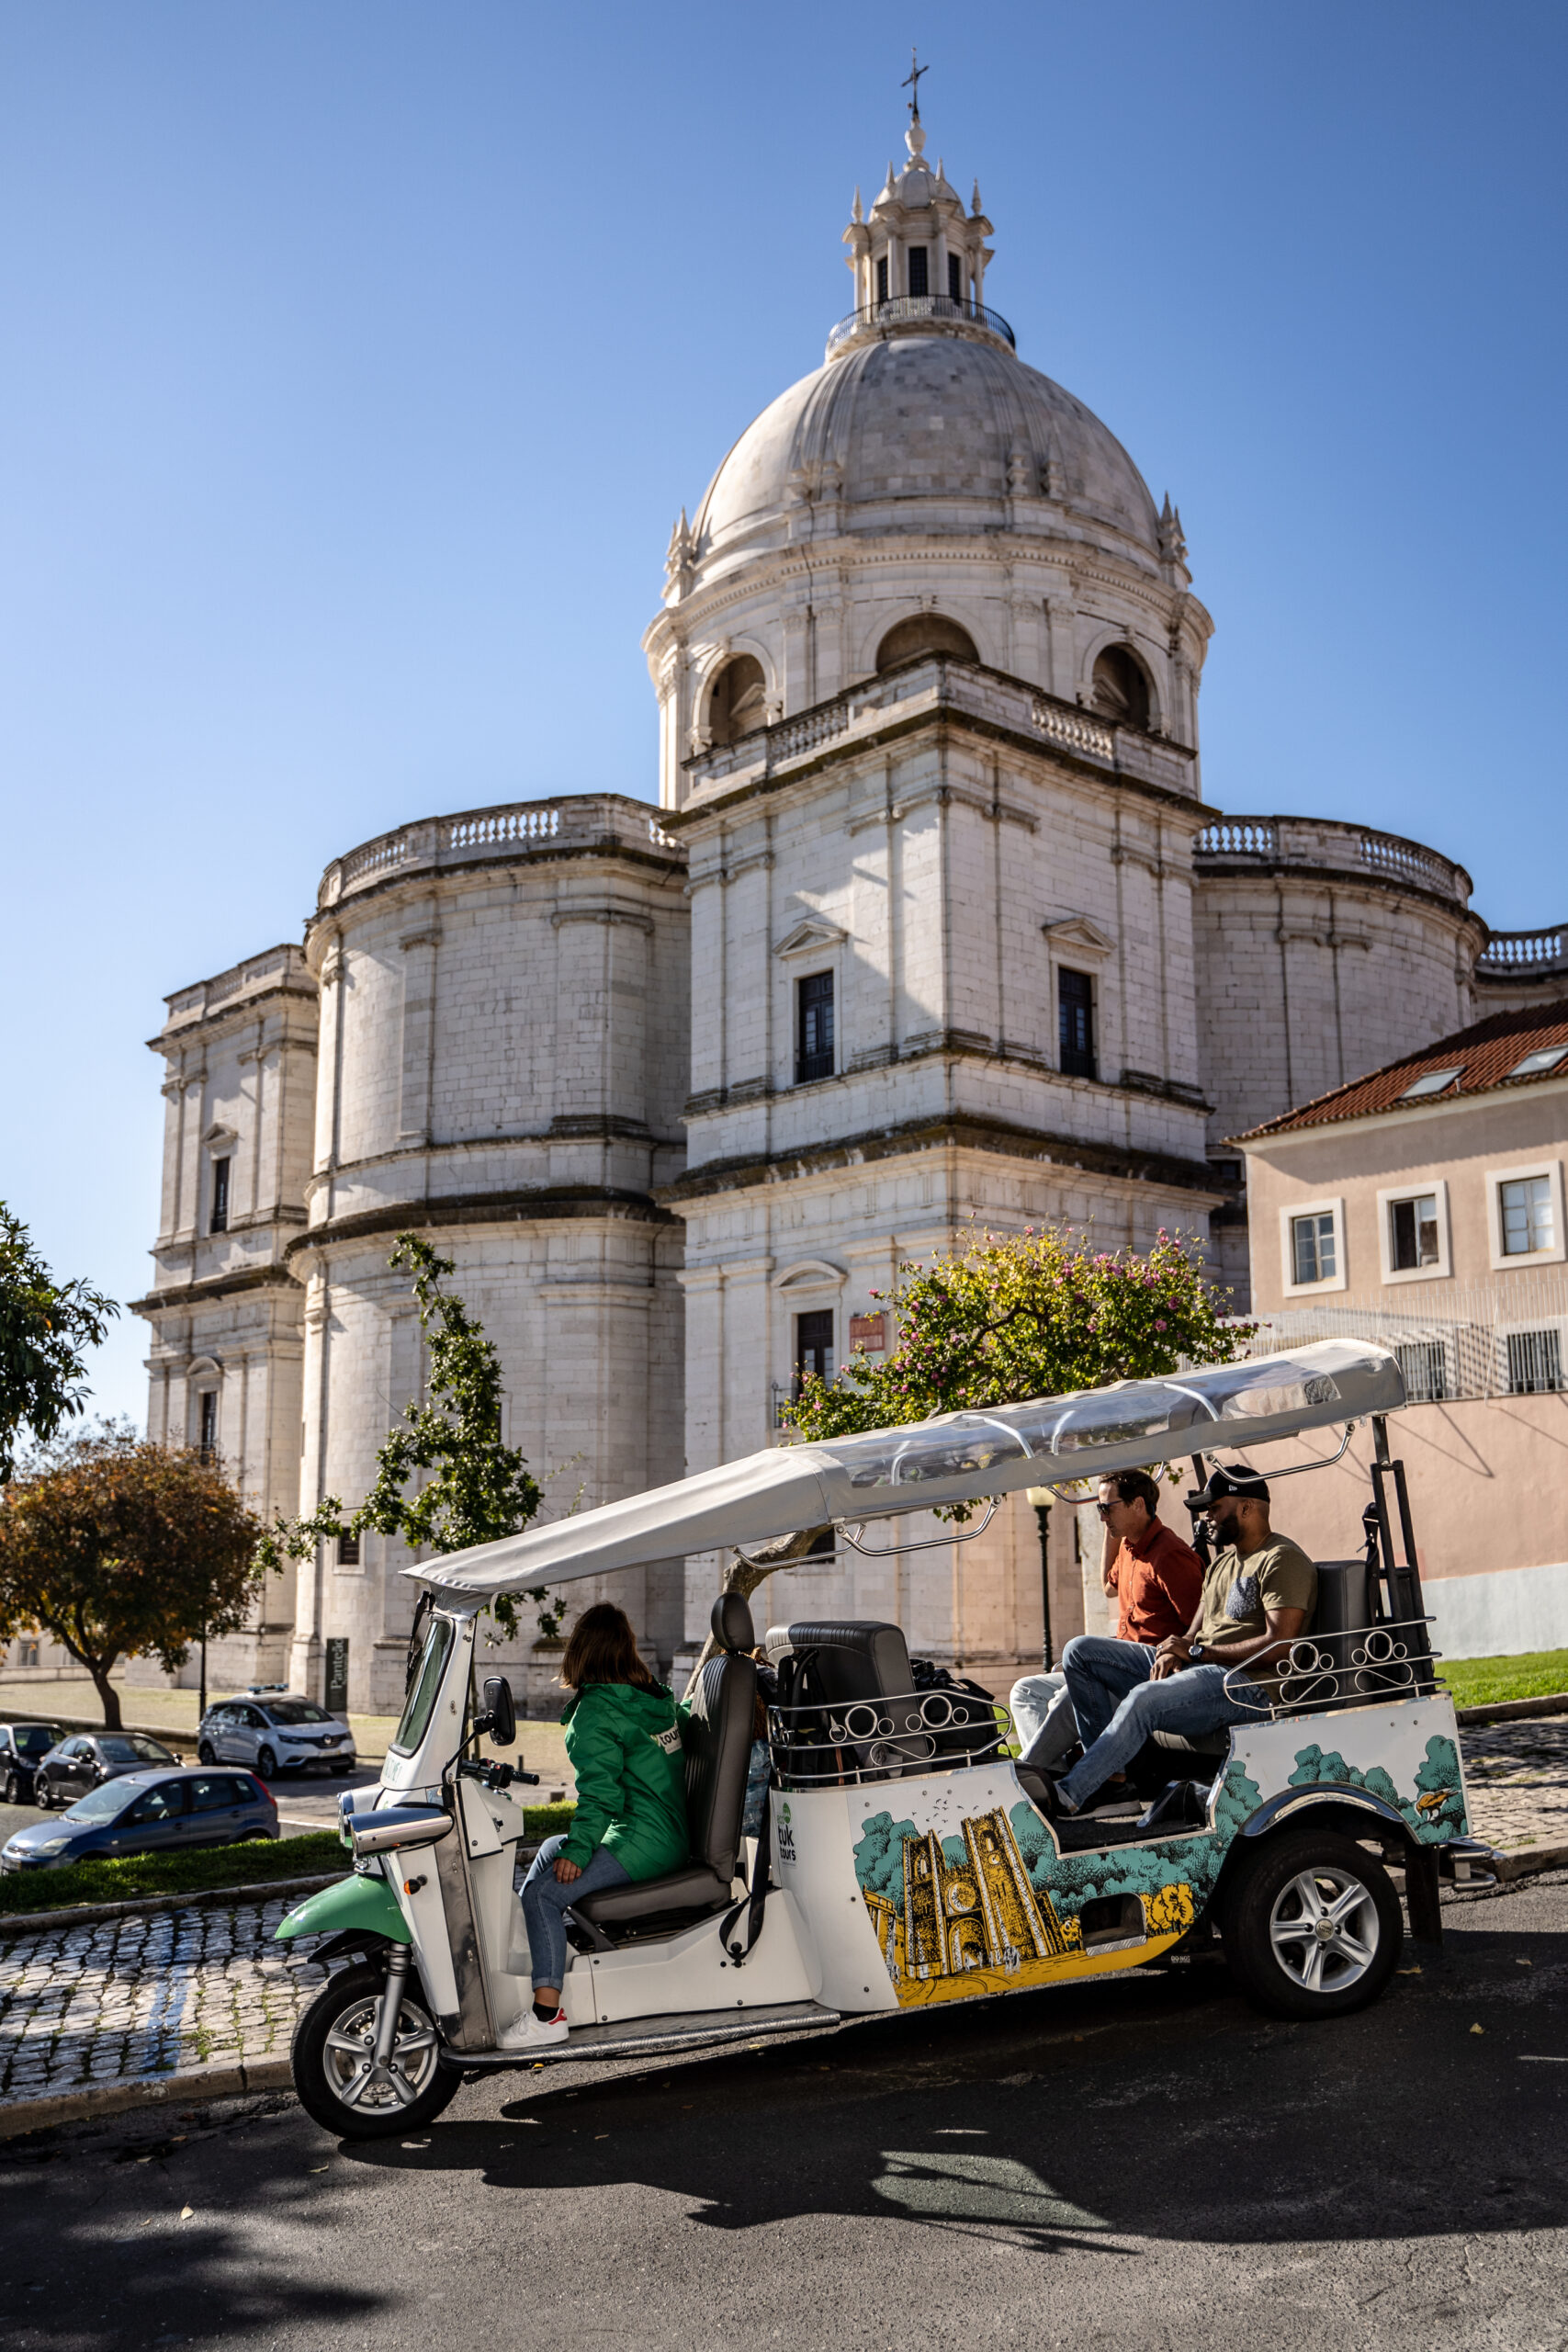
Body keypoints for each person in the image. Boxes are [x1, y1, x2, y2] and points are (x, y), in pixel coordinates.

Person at [1034, 1467, 1317, 1822]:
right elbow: (1192, 1635)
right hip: (1206, 1672)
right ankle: (1111, 1784)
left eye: (1214, 1507)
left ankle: (1072, 1794)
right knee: (1080, 1652)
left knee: (1143, 1698)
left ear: (1247, 1507)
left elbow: (1279, 1645)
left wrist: (1197, 1652)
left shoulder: (1280, 1558)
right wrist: (1174, 1649)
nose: (1207, 1517)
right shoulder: (1223, 1564)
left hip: (1246, 1685)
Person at [501, 1603, 690, 2049]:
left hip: (644, 1841)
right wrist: (570, 1847)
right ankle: (545, 1951)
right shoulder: (653, 1701)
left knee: (543, 1893)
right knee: (550, 1848)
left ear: (579, 1652)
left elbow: (602, 1796)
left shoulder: (596, 1714)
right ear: (626, 1649)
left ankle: (547, 2014)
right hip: (669, 1832)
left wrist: (581, 1849)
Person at [1009, 1470, 1203, 1773]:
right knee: (1025, 1691)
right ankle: (1053, 1775)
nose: (1101, 1517)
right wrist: (1112, 1527)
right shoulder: (1128, 1546)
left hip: (1149, 1672)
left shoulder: (1171, 1554)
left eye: (1106, 1508)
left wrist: (1174, 1655)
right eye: (1099, 1509)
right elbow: (1108, 1587)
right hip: (1116, 1663)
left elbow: (1200, 1629)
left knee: (1075, 1674)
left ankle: (1031, 1776)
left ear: (1138, 1504)